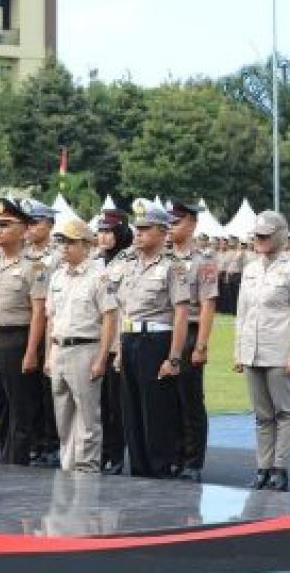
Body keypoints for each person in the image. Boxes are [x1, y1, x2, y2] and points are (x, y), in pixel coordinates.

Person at [115, 199, 191, 478]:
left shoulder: (173, 265)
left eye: (146, 228)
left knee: (155, 411)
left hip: (156, 341)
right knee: (131, 411)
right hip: (130, 338)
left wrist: (173, 357)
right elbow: (123, 308)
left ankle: (160, 472)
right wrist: (120, 350)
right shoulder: (130, 263)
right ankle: (138, 469)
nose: (139, 233)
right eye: (138, 228)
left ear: (162, 231)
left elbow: (181, 313)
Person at [0, 198, 48, 466]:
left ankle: (17, 460)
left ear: (24, 229)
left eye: (6, 225)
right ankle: (7, 453)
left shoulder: (35, 266)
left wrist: (31, 352)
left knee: (20, 406)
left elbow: (39, 312)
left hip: (17, 338)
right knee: (1, 406)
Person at [47, 218, 118, 473]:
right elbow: (51, 318)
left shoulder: (100, 277)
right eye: (62, 242)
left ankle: (87, 467)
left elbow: (110, 318)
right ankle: (68, 466)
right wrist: (48, 355)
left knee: (87, 414)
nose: (64, 247)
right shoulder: (57, 276)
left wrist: (102, 358)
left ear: (87, 246)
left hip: (85, 348)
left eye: (71, 242)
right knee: (62, 413)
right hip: (59, 348)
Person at [234, 210, 290, 492]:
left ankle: (280, 469)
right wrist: (238, 351)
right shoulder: (251, 269)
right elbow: (242, 312)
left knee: (284, 412)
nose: (260, 239)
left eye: (266, 235)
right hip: (253, 350)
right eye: (258, 234)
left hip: (280, 350)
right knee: (261, 414)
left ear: (280, 236)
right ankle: (263, 468)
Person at [167, 201, 219, 482]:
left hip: (190, 332)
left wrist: (201, 345)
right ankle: (174, 455)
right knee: (168, 400)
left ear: (191, 224)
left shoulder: (203, 260)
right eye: (169, 222)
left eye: (176, 222)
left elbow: (209, 304)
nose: (170, 227)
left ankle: (193, 460)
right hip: (166, 332)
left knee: (189, 400)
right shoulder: (164, 257)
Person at [21, 198, 61, 467]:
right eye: (28, 223)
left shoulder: (58, 255)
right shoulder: (22, 254)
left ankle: (52, 444)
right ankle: (36, 442)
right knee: (29, 392)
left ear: (49, 225)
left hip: (50, 326)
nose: (30, 228)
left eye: (35, 223)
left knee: (49, 390)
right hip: (24, 327)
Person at [96, 209, 133, 475]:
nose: (104, 237)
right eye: (101, 231)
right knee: (97, 404)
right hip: (94, 342)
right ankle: (102, 452)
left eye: (109, 231)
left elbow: (126, 309)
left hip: (116, 343)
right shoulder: (95, 262)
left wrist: (120, 347)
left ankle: (116, 454)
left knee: (116, 405)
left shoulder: (129, 262)